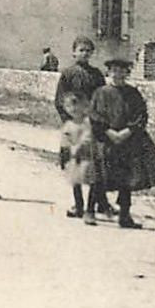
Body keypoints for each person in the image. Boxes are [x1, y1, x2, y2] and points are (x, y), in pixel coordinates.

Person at [90, 57, 155, 229]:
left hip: (127, 142)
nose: (118, 75)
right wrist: (108, 132)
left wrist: (126, 132)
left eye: (122, 71)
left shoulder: (133, 94)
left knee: (126, 180)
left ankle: (124, 216)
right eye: (114, 71)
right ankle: (90, 211)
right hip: (105, 140)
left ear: (127, 73)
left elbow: (140, 116)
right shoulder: (101, 93)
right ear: (109, 72)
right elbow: (94, 116)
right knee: (100, 176)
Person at [55, 36, 115, 218]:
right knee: (74, 164)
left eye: (88, 50)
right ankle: (78, 204)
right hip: (73, 125)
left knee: (94, 165)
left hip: (91, 125)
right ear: (74, 52)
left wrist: (98, 119)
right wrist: (69, 119)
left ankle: (100, 204)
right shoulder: (67, 74)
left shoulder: (96, 75)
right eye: (81, 50)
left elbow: (102, 99)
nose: (84, 53)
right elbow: (59, 99)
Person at [57, 92, 101, 225]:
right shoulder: (68, 124)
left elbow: (88, 137)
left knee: (93, 182)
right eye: (70, 106)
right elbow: (64, 141)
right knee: (75, 182)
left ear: (85, 106)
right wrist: (64, 155)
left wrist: (79, 146)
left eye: (78, 105)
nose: (74, 109)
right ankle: (79, 206)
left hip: (88, 157)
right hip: (74, 159)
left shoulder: (87, 122)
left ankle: (90, 210)